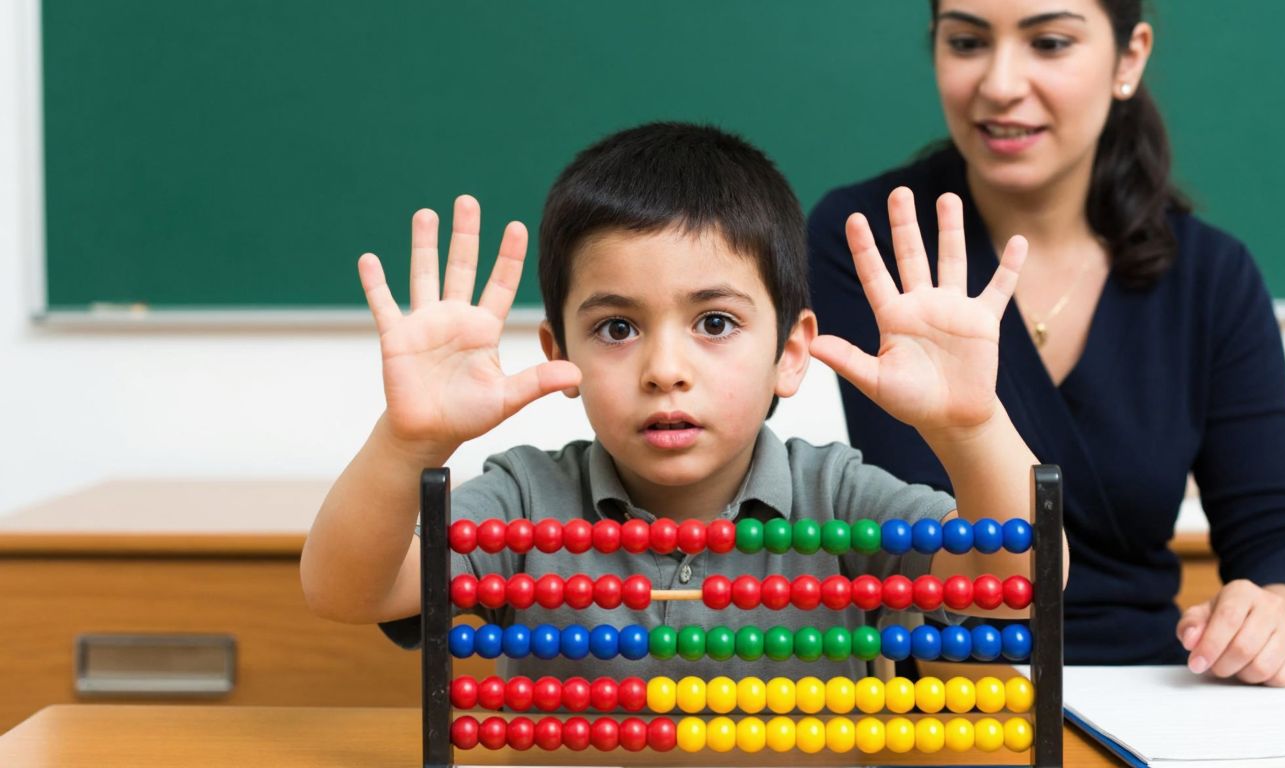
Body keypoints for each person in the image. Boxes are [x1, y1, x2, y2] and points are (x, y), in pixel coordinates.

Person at [301, 121, 1058, 684]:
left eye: (716, 324)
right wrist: (408, 445)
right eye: (617, 328)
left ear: (789, 354)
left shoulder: (838, 496)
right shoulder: (525, 502)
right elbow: (346, 591)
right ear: (559, 354)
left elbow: (1021, 584)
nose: (666, 369)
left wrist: (971, 424)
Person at [808, 0, 1285, 686]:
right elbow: (929, 540)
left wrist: (1280, 613)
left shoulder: (1211, 275)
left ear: (1129, 58)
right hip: (953, 696)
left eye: (1051, 42)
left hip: (1154, 695)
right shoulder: (873, 241)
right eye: (968, 41)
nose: (1000, 84)